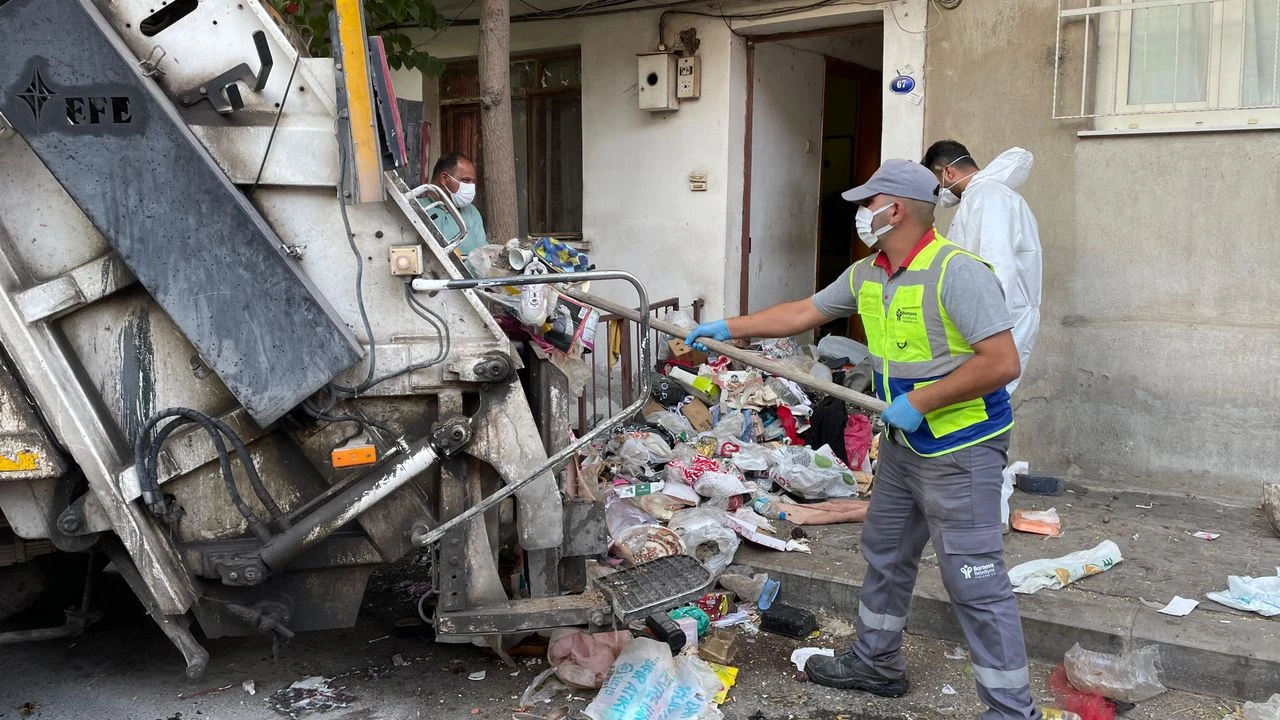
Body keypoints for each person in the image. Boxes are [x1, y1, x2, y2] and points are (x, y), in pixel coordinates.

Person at [685, 160, 1041, 720]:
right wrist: (730, 327)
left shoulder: (958, 272)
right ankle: (876, 664)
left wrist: (921, 400)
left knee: (974, 580)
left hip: (963, 446)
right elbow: (805, 311)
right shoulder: (867, 274)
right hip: (905, 444)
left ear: (894, 210)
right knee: (887, 555)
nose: (861, 213)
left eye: (868, 202)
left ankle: (1011, 710)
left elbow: (1001, 362)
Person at [922, 141, 1042, 395]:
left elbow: (996, 265)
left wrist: (985, 327)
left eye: (938, 184)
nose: (941, 192)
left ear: (948, 172)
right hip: (988, 322)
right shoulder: (981, 196)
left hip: (993, 323)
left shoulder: (989, 197)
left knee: (986, 400)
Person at [430, 152, 487, 257]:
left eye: (472, 182)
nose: (471, 187)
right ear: (444, 179)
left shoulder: (471, 212)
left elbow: (483, 252)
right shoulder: (420, 210)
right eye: (466, 181)